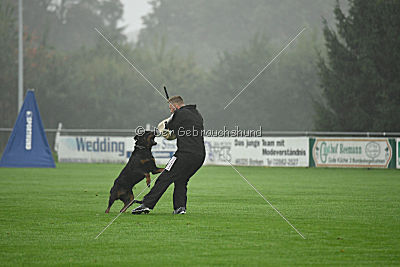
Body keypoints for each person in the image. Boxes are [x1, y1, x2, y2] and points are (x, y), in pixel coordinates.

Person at [132, 96, 206, 215]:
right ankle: (180, 208)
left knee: (164, 177)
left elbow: (167, 128)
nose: (170, 111)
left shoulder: (179, 114)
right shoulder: (197, 114)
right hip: (200, 156)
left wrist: (167, 121)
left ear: (175, 106)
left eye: (170, 108)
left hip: (184, 154)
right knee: (181, 179)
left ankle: (146, 205)